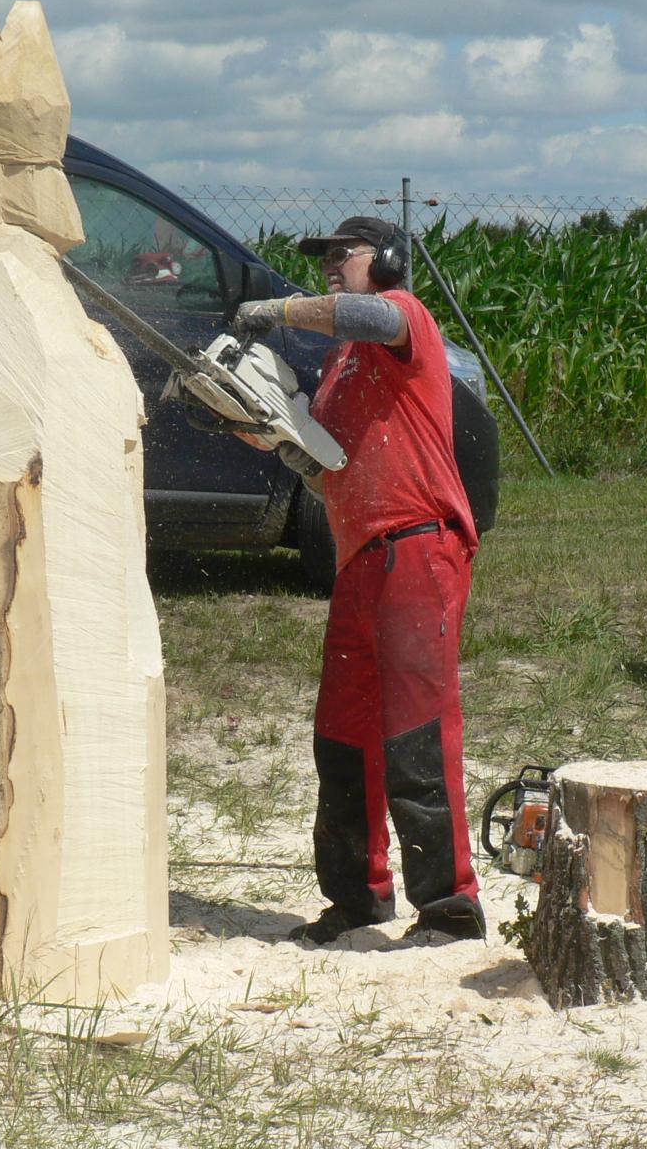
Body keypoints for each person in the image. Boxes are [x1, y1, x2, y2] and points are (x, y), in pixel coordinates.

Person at [230, 216, 485, 945]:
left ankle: (450, 906)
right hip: (358, 558)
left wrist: (277, 309)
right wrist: (277, 439)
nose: (333, 262)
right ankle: (357, 898)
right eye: (328, 255)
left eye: (347, 252)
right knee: (342, 736)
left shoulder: (403, 319)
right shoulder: (341, 364)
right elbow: (330, 466)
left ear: (390, 258)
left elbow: (367, 315)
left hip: (418, 546)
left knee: (416, 730)